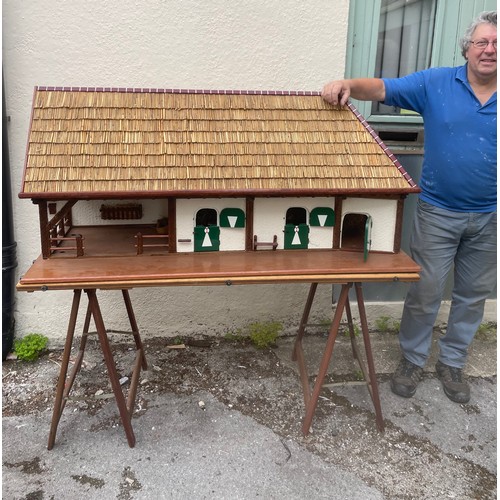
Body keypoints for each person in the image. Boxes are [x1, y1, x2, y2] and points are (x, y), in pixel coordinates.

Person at [322, 11, 497, 404]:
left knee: (472, 295)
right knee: (426, 290)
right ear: (466, 48)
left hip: (490, 215)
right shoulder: (436, 82)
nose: (490, 50)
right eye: (482, 42)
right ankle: (413, 359)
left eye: (497, 44)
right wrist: (347, 83)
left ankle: (452, 362)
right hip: (438, 211)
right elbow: (383, 88)